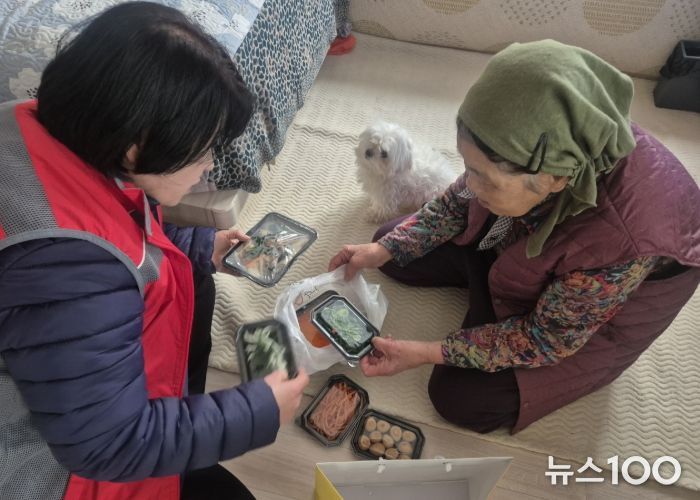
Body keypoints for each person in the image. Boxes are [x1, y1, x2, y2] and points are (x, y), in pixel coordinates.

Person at [0, 3, 309, 499]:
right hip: (55, 474)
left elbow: (116, 213)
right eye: (203, 150)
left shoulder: (31, 123)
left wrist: (200, 248)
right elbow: (112, 444)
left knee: (193, 281)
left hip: (73, 400)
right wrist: (258, 411)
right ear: (135, 144)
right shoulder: (70, 265)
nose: (209, 167)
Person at [329, 39, 700, 434]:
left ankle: (493, 293)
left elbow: (545, 339)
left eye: (486, 179)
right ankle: (490, 286)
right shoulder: (535, 138)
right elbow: (457, 201)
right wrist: (385, 248)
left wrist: (426, 351)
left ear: (554, 179)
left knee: (459, 398)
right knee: (391, 245)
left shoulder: (621, 243)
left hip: (587, 313)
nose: (470, 186)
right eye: (468, 167)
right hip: (528, 246)